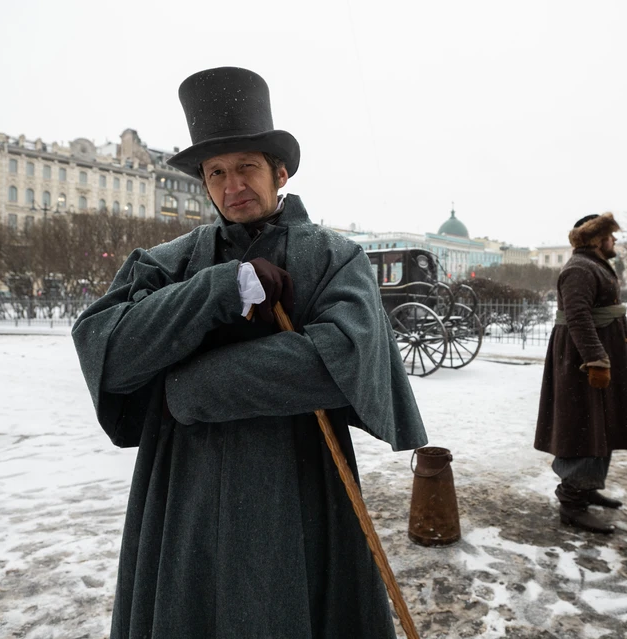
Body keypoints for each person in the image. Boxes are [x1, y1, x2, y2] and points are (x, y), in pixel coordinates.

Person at [72, 67, 427, 638]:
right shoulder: (169, 263)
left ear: (278, 172)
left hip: (299, 488)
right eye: (217, 172)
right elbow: (107, 348)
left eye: (246, 167)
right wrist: (218, 290)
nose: (232, 185)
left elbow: (338, 363)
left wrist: (189, 386)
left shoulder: (336, 258)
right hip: (185, 493)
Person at [535, 213, 627, 534]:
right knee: (583, 427)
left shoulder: (593, 265)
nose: (615, 240)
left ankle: (587, 487)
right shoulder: (580, 269)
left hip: (597, 360)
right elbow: (578, 316)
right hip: (581, 364)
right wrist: (596, 359)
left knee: (601, 424)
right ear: (597, 239)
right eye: (611, 235)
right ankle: (572, 502)